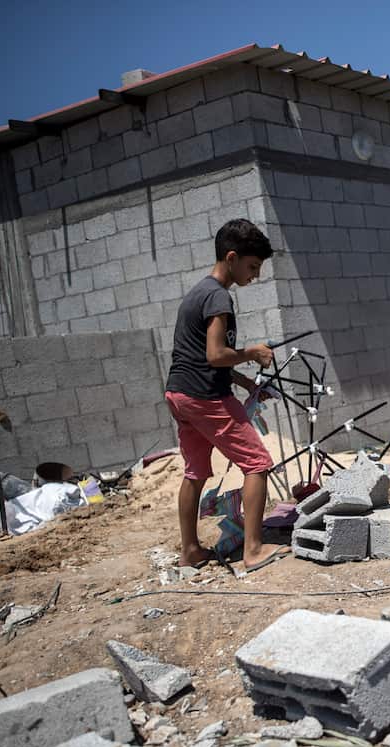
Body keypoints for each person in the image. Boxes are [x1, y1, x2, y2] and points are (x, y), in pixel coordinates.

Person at [164, 219, 287, 572]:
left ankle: (190, 550)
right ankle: (253, 550)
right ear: (231, 258)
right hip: (205, 397)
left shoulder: (197, 292)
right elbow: (216, 354)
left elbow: (199, 356)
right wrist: (253, 352)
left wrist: (245, 381)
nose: (256, 275)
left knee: (196, 471)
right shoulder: (219, 296)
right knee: (257, 463)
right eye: (252, 267)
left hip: (179, 394)